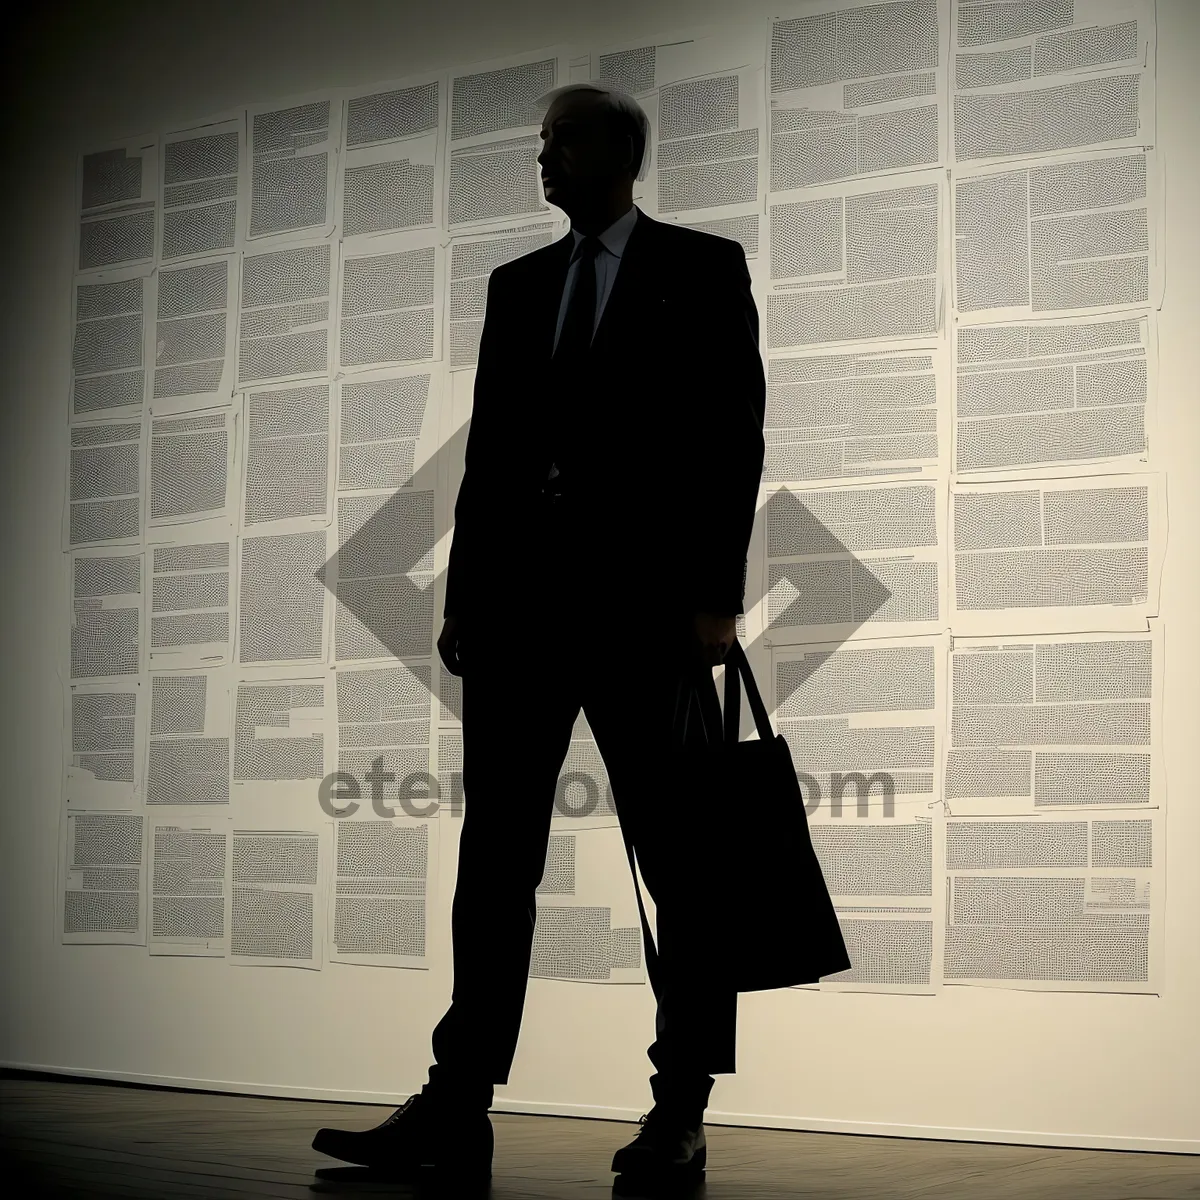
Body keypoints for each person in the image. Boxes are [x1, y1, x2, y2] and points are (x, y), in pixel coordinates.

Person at [313, 81, 766, 1187]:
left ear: (625, 150)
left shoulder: (702, 268)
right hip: (519, 620)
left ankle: (679, 1108)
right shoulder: (517, 286)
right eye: (540, 145)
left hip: (650, 618)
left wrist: (714, 597)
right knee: (494, 865)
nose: (544, 159)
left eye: (563, 139)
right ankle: (457, 1104)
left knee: (682, 870)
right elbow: (492, 456)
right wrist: (465, 592)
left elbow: (732, 437)